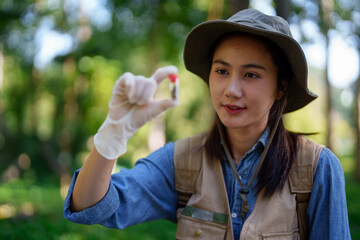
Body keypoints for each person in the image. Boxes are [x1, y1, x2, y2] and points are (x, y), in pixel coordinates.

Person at [64, 8, 351, 239]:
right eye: (222, 71)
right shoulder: (183, 161)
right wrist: (113, 134)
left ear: (281, 89)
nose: (231, 89)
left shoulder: (317, 169)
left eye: (251, 74)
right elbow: (92, 207)